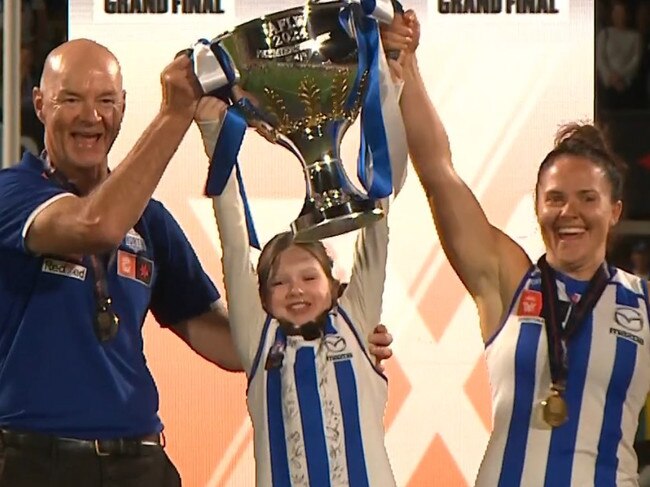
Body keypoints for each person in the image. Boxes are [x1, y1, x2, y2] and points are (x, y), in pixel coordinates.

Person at [0, 38, 393, 487]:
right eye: (71, 99)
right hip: (35, 461)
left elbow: (228, 342)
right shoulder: (14, 193)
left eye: (106, 100)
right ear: (39, 104)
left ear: (123, 107)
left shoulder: (150, 222)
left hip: (139, 459)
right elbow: (96, 224)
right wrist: (175, 114)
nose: (91, 116)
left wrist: (331, 334)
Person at [383, 10, 650, 487]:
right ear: (537, 207)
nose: (570, 212)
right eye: (555, 198)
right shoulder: (509, 279)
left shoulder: (644, 305)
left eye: (588, 199)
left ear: (614, 211)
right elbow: (438, 173)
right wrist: (409, 63)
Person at [196, 83, 401, 485]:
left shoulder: (356, 321)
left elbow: (378, 222)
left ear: (333, 282)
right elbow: (235, 245)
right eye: (280, 283)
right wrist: (212, 134)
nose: (296, 290)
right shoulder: (258, 338)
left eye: (309, 277)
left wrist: (386, 93)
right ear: (262, 298)